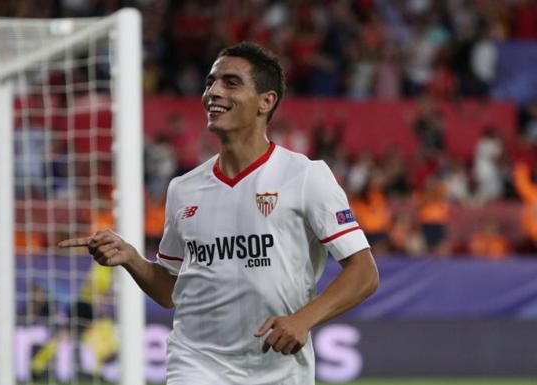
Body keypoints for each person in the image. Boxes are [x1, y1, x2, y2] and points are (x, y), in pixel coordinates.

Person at [59, 42, 379, 385]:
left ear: (266, 101)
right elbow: (170, 291)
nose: (213, 91)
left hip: (278, 369)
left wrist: (303, 319)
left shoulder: (304, 176)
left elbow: (364, 273)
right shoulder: (183, 188)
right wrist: (132, 259)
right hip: (196, 362)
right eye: (210, 82)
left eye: (231, 82)